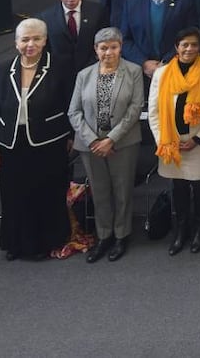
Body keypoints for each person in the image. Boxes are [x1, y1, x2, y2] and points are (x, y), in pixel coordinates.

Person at [0, 19, 73, 261]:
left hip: (48, 143)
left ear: (45, 40)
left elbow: (70, 105)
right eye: (24, 40)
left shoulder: (60, 66)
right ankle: (16, 244)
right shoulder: (3, 69)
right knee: (14, 195)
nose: (30, 44)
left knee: (46, 193)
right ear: (15, 43)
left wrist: (70, 135)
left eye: (35, 39)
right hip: (11, 144)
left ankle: (45, 243)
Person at [148, 27, 200, 255]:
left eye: (193, 44)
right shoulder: (162, 74)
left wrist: (199, 139)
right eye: (184, 44)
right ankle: (181, 230)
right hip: (171, 143)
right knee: (178, 187)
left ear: (199, 47)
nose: (189, 48)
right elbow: (153, 110)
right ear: (176, 47)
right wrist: (163, 140)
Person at [68, 28, 143, 263]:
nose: (108, 52)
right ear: (95, 50)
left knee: (122, 190)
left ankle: (122, 235)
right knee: (100, 192)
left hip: (123, 142)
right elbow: (74, 111)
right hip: (90, 146)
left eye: (113, 47)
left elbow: (135, 108)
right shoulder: (84, 75)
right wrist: (93, 141)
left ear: (121, 47)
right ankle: (103, 236)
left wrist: (111, 139)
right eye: (103, 48)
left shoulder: (133, 71)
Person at [120, 0, 199, 81]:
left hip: (178, 68)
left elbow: (192, 33)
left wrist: (168, 61)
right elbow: (125, 39)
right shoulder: (131, 4)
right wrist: (144, 63)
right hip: (142, 72)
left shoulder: (186, 0)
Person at [38, 0, 105, 77]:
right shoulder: (46, 17)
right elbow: (45, 49)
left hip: (92, 72)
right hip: (59, 76)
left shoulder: (97, 11)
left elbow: (104, 41)